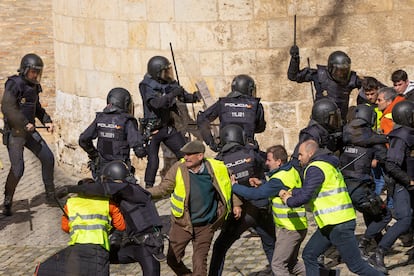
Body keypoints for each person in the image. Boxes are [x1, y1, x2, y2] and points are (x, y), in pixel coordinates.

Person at [280, 140, 384, 276]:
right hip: (331, 223)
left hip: (338, 224)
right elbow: (312, 189)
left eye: (300, 154)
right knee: (309, 255)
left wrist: (288, 200)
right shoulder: (326, 165)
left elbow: (305, 196)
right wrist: (294, 191)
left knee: (357, 266)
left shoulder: (315, 168)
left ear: (310, 153)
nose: (298, 158)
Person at [56, 161, 166, 275]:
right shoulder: (126, 193)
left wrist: (70, 189)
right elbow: (121, 224)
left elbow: (103, 188)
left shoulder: (130, 190)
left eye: (106, 181)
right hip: (135, 245)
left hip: (149, 246)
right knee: (103, 257)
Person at [146, 140, 233, 275]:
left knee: (200, 262)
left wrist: (237, 205)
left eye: (189, 154)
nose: (185, 157)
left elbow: (229, 184)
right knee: (172, 259)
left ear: (200, 156)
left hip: (206, 225)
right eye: (184, 154)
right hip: (182, 224)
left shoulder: (215, 168)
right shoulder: (178, 168)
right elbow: (163, 188)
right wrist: (144, 194)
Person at [209, 125, 275, 276]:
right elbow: (265, 167)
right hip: (260, 208)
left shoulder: (219, 162)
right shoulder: (252, 154)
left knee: (220, 247)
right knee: (271, 244)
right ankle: (280, 272)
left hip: (238, 213)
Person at [232, 145, 307, 276]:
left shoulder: (278, 179)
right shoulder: (291, 170)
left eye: (269, 160)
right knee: (291, 264)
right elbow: (280, 186)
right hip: (298, 225)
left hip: (290, 229)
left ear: (278, 162)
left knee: (277, 265)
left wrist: (234, 186)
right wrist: (262, 183)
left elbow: (255, 195)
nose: (266, 163)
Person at [1, 53, 56, 216]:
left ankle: (50, 194)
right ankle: (8, 200)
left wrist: (46, 119)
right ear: (25, 70)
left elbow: (36, 107)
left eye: (38, 72)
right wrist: (24, 123)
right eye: (33, 72)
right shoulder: (14, 84)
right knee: (18, 169)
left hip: (30, 134)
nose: (35, 75)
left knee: (48, 158)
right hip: (16, 134)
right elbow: (7, 108)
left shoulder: (33, 87)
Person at [35, 179, 126, 275]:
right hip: (99, 249)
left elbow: (65, 227)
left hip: (77, 248)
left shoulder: (70, 204)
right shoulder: (108, 203)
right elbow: (121, 226)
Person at [139, 55, 200, 188]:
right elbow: (156, 103)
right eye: (164, 71)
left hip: (167, 127)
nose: (167, 74)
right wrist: (173, 94)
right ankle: (149, 189)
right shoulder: (146, 86)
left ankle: (190, 182)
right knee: (153, 161)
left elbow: (182, 96)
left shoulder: (168, 83)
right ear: (157, 73)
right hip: (153, 130)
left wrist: (193, 97)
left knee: (184, 153)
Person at [339, 104, 391, 259]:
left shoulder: (344, 135)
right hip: (361, 187)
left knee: (368, 213)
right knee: (384, 215)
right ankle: (363, 244)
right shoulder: (374, 138)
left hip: (343, 186)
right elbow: (385, 160)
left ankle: (378, 239)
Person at [369, 101, 414, 274]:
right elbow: (392, 166)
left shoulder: (409, 133)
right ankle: (379, 252)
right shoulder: (400, 137)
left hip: (409, 182)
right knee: (404, 219)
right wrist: (408, 181)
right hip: (401, 184)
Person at [79, 87, 146, 179]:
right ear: (125, 103)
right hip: (119, 169)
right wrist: (144, 144)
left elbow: (83, 139)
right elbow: (139, 150)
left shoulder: (100, 118)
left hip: (101, 168)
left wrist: (94, 154)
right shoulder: (127, 121)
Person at [288, 46, 361, 121]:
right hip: (319, 120)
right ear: (331, 68)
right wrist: (294, 59)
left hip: (339, 121)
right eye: (339, 71)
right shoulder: (319, 75)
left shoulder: (351, 79)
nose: (342, 74)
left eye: (344, 71)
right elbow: (294, 76)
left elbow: (368, 86)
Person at [197, 74, 266, 152]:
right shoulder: (255, 105)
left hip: (226, 148)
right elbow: (260, 127)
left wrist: (211, 143)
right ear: (249, 90)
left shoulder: (223, 103)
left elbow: (202, 119)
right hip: (247, 149)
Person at [291, 98, 343, 167]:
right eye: (333, 118)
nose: (335, 121)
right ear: (324, 118)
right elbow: (302, 161)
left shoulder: (323, 132)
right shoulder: (312, 135)